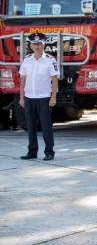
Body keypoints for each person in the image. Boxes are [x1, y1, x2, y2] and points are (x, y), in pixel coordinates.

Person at [19, 32, 58, 161]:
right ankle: (32, 151)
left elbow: (54, 79)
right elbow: (23, 79)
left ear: (44, 45)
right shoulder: (27, 60)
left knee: (46, 126)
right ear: (31, 46)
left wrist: (53, 97)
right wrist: (21, 97)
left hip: (44, 98)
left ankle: (49, 152)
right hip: (29, 97)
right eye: (34, 44)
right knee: (31, 126)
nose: (37, 46)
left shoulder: (50, 60)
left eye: (39, 44)